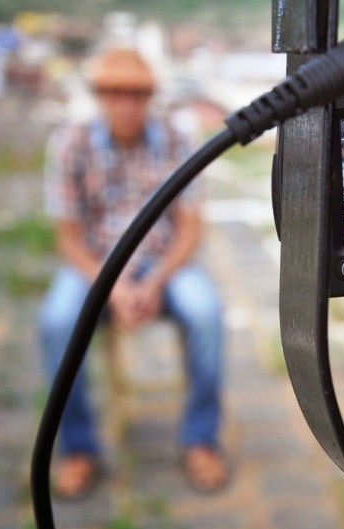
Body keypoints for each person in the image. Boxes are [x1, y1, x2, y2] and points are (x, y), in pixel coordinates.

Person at [38, 47, 227, 498]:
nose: (125, 103)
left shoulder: (179, 139)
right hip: (95, 262)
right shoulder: (69, 143)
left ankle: (201, 439)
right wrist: (113, 286)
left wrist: (155, 280)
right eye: (114, 93)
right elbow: (67, 237)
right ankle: (78, 448)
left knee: (208, 313)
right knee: (55, 324)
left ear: (150, 96)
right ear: (98, 96)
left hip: (163, 261)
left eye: (136, 93)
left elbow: (190, 228)